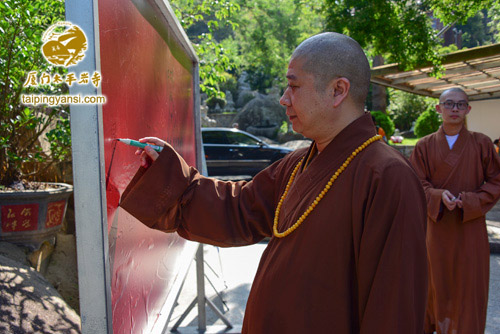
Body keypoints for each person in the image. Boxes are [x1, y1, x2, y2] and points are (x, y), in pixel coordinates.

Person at [120, 32, 428, 333]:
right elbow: (239, 208)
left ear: (338, 90)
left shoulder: (387, 177)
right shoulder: (299, 163)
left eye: (294, 86)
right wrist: (169, 176)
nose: (283, 99)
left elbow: (394, 308)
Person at [409, 88, 500, 334]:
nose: (455, 109)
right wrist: (438, 197)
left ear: (468, 109)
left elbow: (496, 181)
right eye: (449, 104)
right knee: (435, 284)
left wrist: (470, 201)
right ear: (439, 108)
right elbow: (416, 183)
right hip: (437, 228)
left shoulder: (481, 143)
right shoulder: (424, 145)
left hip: (470, 227)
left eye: (461, 105)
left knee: (470, 287)